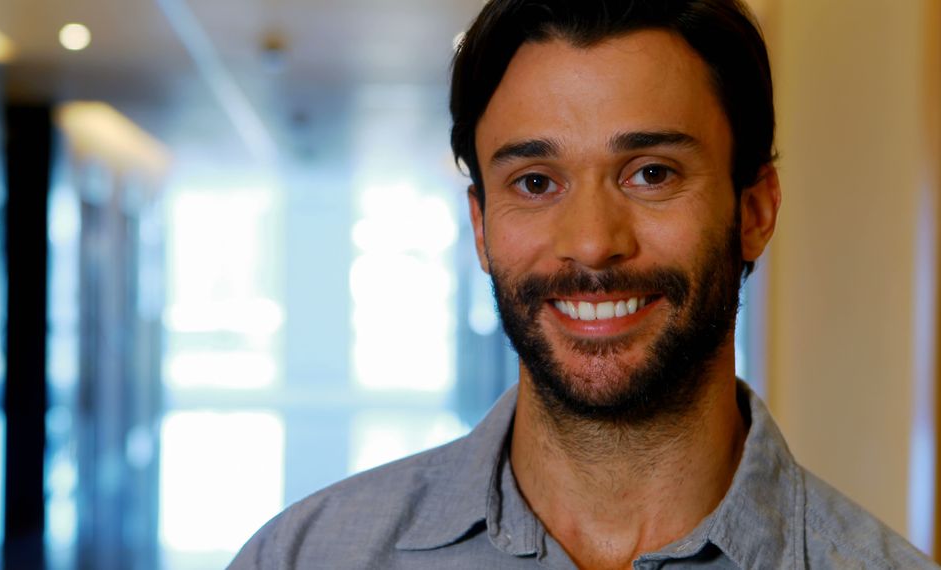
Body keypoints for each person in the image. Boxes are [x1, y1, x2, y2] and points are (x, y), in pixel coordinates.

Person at [230, 0, 938, 568]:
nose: (594, 243)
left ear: (755, 210)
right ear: (480, 227)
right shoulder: (301, 555)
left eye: (651, 173)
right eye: (535, 183)